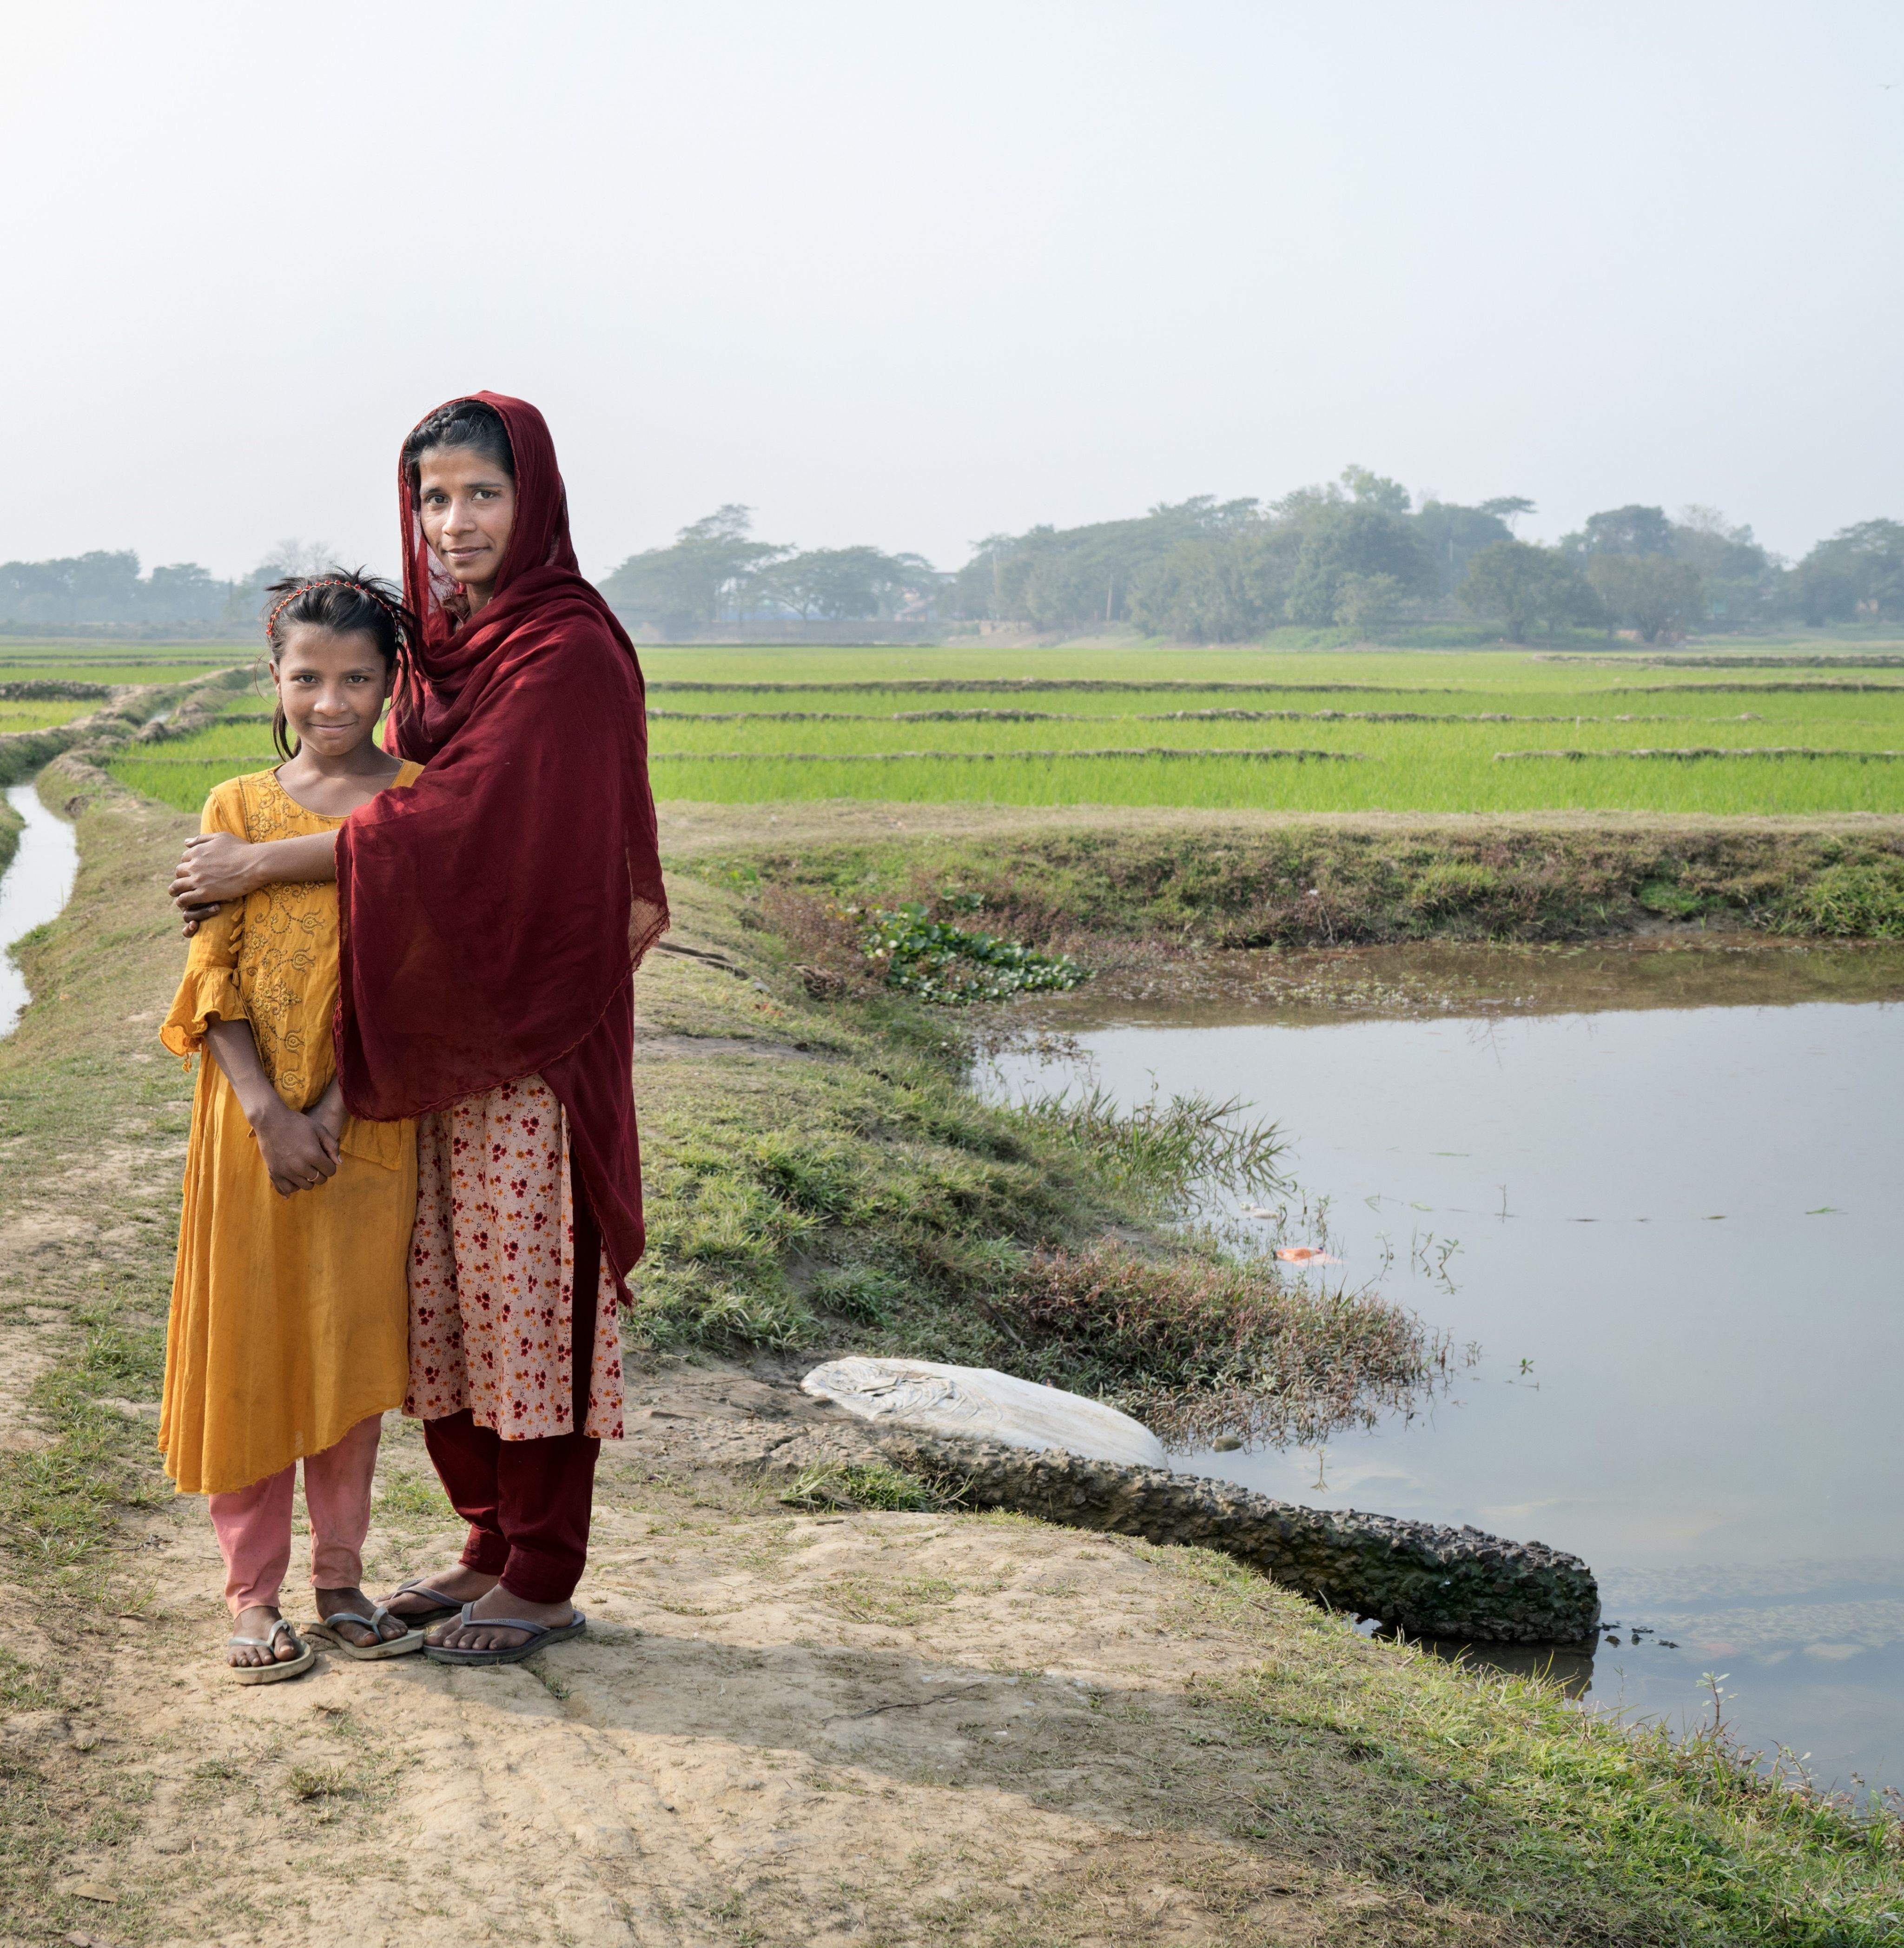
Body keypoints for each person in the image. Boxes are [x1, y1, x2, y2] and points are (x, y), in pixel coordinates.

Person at [170, 394, 668, 1668]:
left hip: (532, 1037)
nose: (452, 524)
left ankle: (545, 1571)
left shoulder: (561, 653)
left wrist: (257, 862)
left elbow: (462, 832)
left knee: (528, 1298)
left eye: (481, 495)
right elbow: (403, 811)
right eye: (432, 497)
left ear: (536, 500)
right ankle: (490, 1542)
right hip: (439, 1032)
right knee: (446, 1304)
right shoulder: (446, 650)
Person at [160, 571, 426, 1681]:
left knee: (348, 1344)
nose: (331, 699)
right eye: (307, 676)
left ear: (389, 680)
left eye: (356, 676)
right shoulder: (234, 806)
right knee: (254, 1343)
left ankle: (341, 1578)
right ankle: (251, 1593)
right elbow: (208, 972)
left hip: (369, 1122)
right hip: (248, 1126)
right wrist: (271, 1110)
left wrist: (333, 1107)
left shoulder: (420, 800)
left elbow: (417, 984)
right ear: (274, 678)